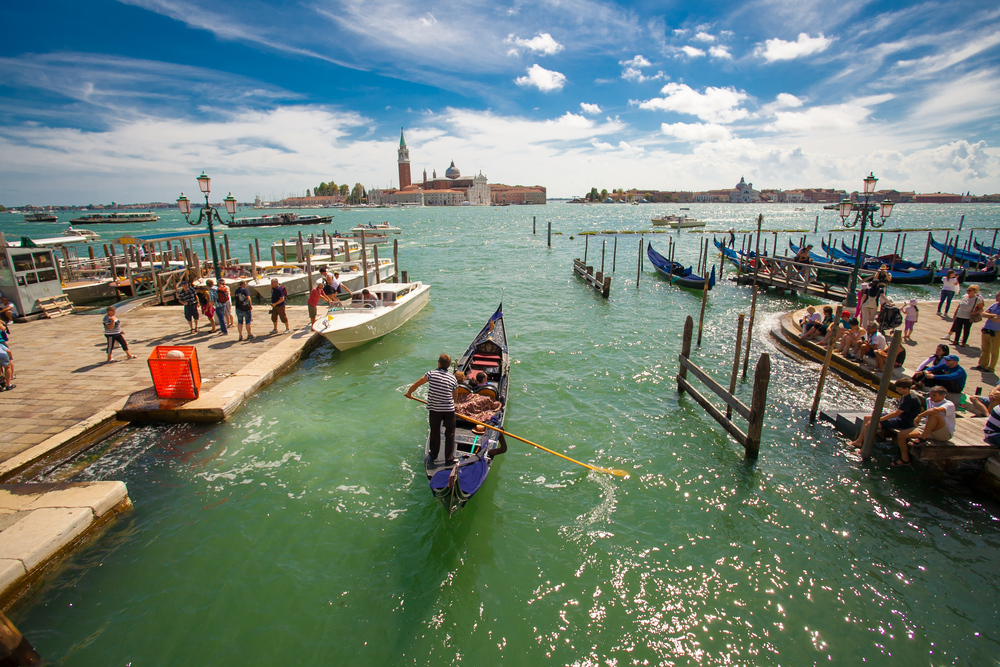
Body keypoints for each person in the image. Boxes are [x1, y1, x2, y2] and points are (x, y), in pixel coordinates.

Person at [405, 353, 459, 466]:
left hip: (434, 409)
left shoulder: (431, 374)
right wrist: (451, 404)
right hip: (449, 409)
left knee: (435, 431)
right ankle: (449, 459)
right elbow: (455, 396)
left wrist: (409, 393)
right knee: (450, 433)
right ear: (448, 365)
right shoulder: (452, 378)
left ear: (439, 364)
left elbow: (417, 383)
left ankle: (434, 454)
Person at [849, 378, 922, 448]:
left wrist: (879, 420)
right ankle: (859, 441)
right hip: (899, 417)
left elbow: (896, 413)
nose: (897, 390)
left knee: (869, 424)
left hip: (904, 422)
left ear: (906, 389)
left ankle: (864, 448)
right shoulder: (906, 394)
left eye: (899, 389)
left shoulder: (910, 399)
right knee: (866, 418)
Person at [895, 386, 955, 466]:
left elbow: (934, 410)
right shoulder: (928, 400)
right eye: (931, 394)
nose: (931, 397)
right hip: (929, 429)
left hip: (943, 433)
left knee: (934, 414)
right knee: (901, 435)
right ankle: (905, 459)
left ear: (943, 396)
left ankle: (922, 438)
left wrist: (919, 416)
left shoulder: (949, 404)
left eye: (934, 395)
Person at [974, 290, 1000, 372]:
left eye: (998, 295)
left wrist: (988, 316)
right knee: (985, 349)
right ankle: (982, 365)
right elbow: (983, 314)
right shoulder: (995, 305)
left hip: (996, 332)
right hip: (987, 329)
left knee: (994, 351)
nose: (996, 296)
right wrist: (992, 315)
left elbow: (997, 320)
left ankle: (991, 367)